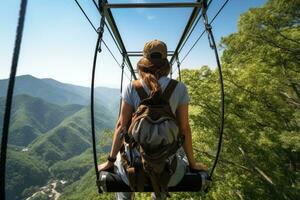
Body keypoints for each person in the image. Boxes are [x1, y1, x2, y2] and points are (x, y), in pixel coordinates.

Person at [98, 40, 207, 200]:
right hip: (170, 172)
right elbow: (184, 129)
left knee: (123, 168)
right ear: (165, 62)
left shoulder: (132, 87)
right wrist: (193, 163)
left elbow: (121, 126)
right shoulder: (179, 88)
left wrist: (110, 160)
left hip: (134, 170)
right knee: (169, 167)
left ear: (144, 61)